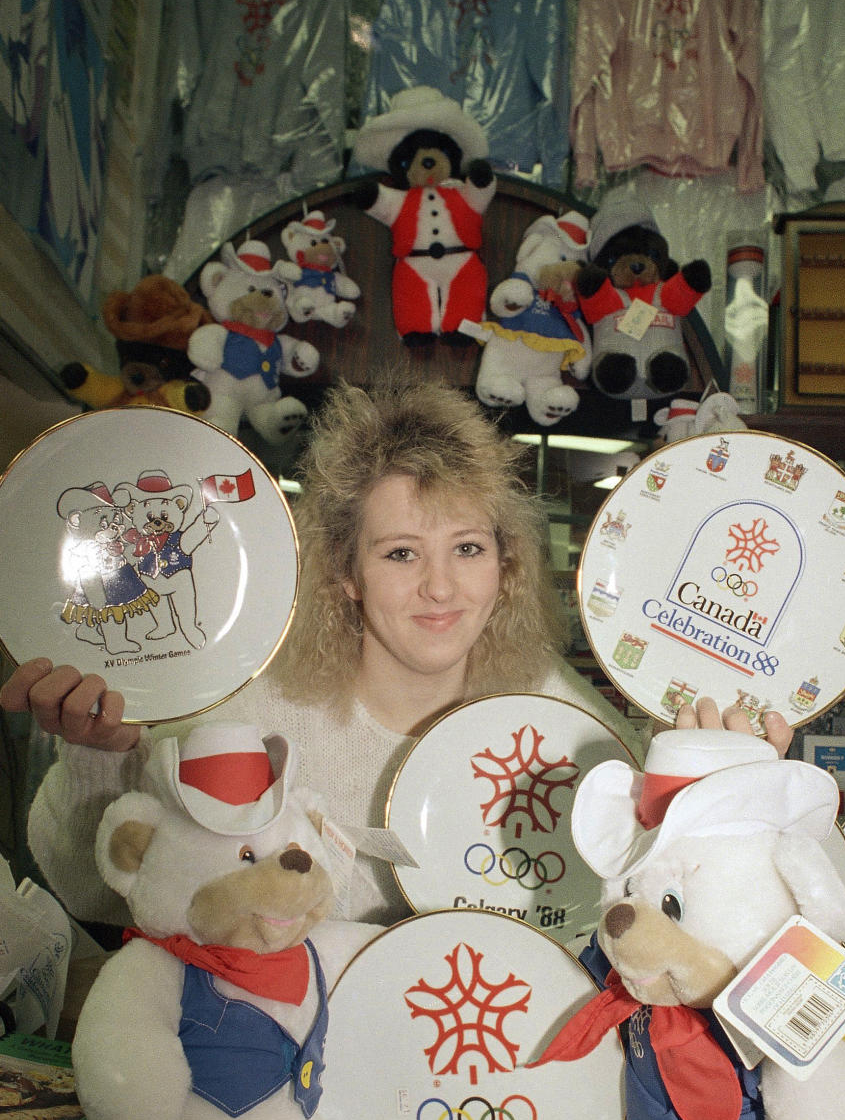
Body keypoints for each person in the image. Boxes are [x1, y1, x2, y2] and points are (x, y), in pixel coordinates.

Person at [0, 375, 792, 929]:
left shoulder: (565, 727)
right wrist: (100, 755)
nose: (441, 590)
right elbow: (87, 890)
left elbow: (658, 910)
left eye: (470, 549)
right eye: (402, 554)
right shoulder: (252, 715)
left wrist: (720, 794)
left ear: (509, 566)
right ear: (345, 573)